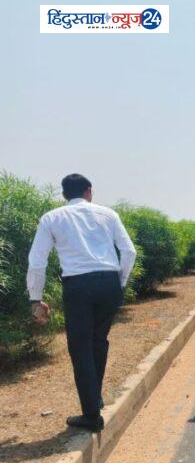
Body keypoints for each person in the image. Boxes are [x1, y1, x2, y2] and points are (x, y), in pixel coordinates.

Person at [27, 174, 136, 432]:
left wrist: (35, 298)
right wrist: (118, 283)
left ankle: (91, 416)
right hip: (109, 282)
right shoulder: (108, 214)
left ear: (64, 195)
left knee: (80, 348)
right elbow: (129, 251)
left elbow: (37, 261)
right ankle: (94, 398)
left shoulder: (52, 218)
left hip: (78, 287)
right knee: (98, 341)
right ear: (89, 191)